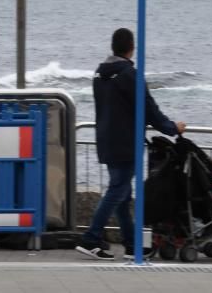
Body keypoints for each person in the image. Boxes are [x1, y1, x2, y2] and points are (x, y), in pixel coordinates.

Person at [76, 28, 187, 260]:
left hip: (106, 139)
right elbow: (148, 109)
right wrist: (171, 128)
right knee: (117, 190)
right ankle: (91, 238)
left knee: (123, 194)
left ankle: (131, 244)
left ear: (113, 46)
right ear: (131, 47)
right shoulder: (129, 75)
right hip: (126, 142)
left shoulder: (100, 74)